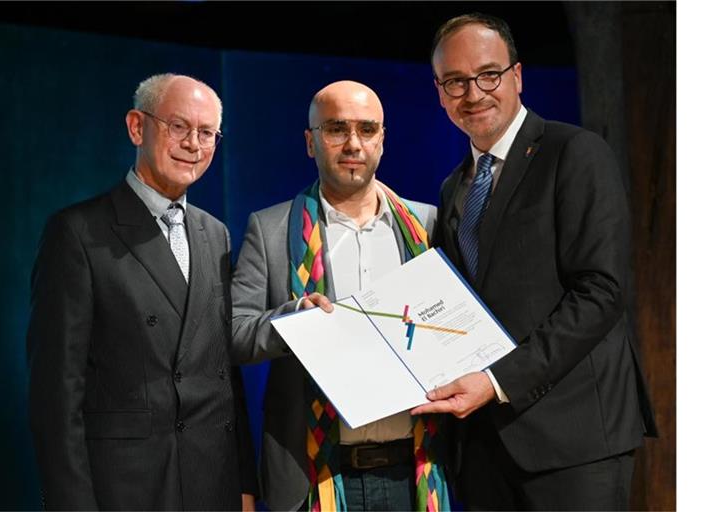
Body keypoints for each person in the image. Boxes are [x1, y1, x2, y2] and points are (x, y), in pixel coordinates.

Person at [411, 13, 658, 511]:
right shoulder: (453, 186)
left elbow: (601, 293)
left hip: (575, 441)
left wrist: (497, 381)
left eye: (488, 74)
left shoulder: (576, 152)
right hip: (481, 446)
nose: (473, 93)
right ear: (439, 93)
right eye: (455, 82)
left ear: (517, 76)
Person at [27, 73, 257, 511]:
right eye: (178, 126)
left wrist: (244, 485)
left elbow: (224, 375)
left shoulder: (217, 234)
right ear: (137, 126)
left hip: (212, 484)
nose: (193, 143)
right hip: (127, 489)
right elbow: (56, 396)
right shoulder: (77, 232)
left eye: (206, 133)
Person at [231, 80, 449, 511]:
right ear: (311, 143)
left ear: (382, 140)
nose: (353, 143)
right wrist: (294, 318)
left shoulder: (428, 225)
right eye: (336, 129)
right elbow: (235, 334)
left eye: (367, 130)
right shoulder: (270, 229)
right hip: (317, 476)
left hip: (416, 472)